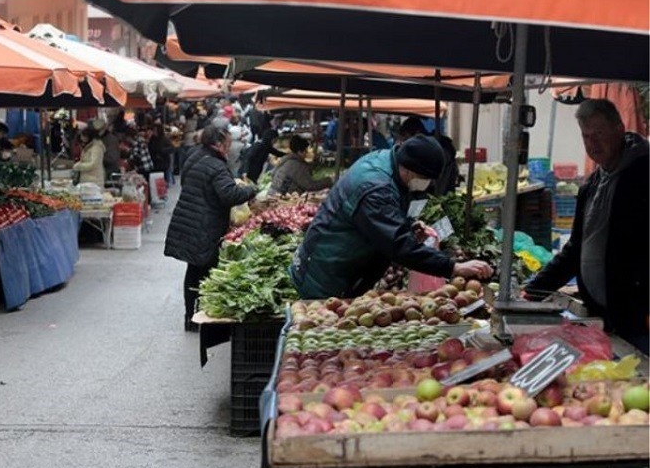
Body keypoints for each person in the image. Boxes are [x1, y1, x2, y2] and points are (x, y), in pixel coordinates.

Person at [290, 135, 493, 299]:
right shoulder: (375, 188)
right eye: (425, 179)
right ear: (409, 170)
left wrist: (408, 224)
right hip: (326, 273)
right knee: (325, 338)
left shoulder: (387, 160)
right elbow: (397, 244)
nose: (427, 184)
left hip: (339, 265)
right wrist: (453, 267)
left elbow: (384, 217)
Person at [525, 99, 648, 353]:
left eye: (599, 133)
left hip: (639, 316)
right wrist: (534, 289)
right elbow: (576, 249)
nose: (592, 143)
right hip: (603, 315)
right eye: (586, 136)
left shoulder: (643, 175)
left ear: (619, 129)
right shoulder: (591, 185)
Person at [164, 126, 258, 332]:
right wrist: (251, 189)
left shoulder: (193, 155)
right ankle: (204, 319)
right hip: (204, 224)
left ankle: (191, 317)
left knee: (194, 269)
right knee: (206, 270)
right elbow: (229, 195)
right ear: (217, 143)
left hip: (188, 218)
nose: (229, 147)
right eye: (227, 143)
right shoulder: (215, 165)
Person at [245, 114, 286, 182]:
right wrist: (245, 172)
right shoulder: (258, 146)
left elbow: (277, 153)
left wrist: (289, 155)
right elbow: (248, 157)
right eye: (274, 140)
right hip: (251, 171)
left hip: (257, 170)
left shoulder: (267, 147)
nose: (274, 143)